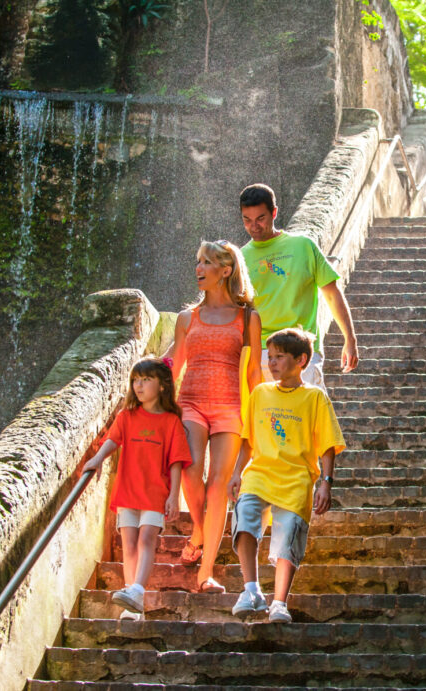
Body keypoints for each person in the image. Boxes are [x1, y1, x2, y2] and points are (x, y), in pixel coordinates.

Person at [227, 328, 345, 623]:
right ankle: (251, 590)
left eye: (279, 357)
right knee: (244, 516)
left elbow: (328, 446)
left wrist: (326, 483)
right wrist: (236, 472)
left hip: (297, 478)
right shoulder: (260, 393)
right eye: (270, 356)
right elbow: (247, 440)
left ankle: (279, 602)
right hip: (260, 473)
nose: (272, 362)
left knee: (288, 536)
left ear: (301, 360)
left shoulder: (315, 397)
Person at [170, 240, 262, 593]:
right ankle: (197, 529)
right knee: (191, 470)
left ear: (226, 270)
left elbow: (254, 373)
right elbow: (175, 365)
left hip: (230, 407)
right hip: (190, 402)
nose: (198, 268)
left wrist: (260, 415)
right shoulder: (186, 318)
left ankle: (205, 571)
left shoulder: (247, 317)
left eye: (206, 262)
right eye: (198, 261)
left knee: (218, 486)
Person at [83, 357, 190, 617]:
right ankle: (131, 600)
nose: (138, 386)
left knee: (146, 539)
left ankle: (137, 590)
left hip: (156, 492)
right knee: (128, 544)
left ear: (162, 385)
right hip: (127, 490)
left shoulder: (171, 421)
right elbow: (112, 440)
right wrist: (97, 459)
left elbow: (176, 461)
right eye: (135, 380)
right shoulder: (127, 416)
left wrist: (174, 496)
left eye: (146, 380)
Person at [239, 183, 359, 389]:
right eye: (247, 220)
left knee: (310, 410)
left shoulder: (304, 246)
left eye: (260, 218)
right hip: (260, 354)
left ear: (274, 213)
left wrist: (350, 338)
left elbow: (332, 294)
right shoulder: (240, 258)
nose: (254, 226)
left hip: (301, 352)